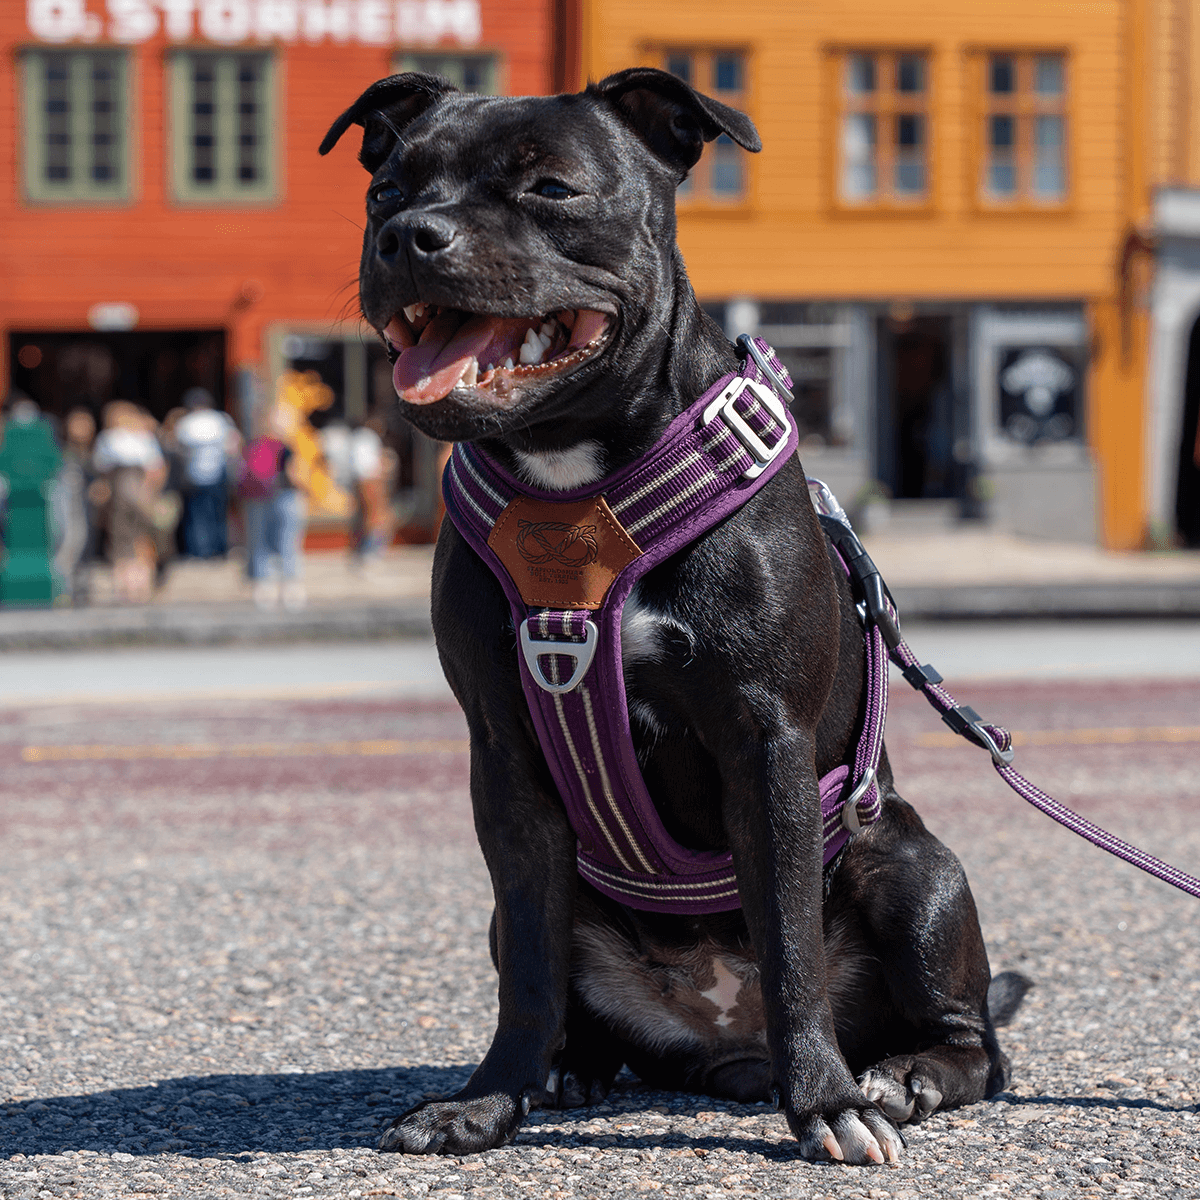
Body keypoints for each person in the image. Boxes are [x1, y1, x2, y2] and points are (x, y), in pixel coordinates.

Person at [91, 401, 165, 604]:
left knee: (137, 539)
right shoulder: (112, 438)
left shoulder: (139, 437)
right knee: (124, 539)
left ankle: (137, 585)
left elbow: (155, 469)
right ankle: (128, 586)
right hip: (124, 494)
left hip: (134, 491)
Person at [238, 405, 307, 610]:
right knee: (287, 542)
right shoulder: (287, 446)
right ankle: (291, 588)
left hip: (258, 498)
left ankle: (263, 588)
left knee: (260, 542)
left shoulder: (254, 444)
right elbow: (296, 474)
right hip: (285, 496)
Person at [173, 387, 240, 559]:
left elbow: (178, 450)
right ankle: (219, 549)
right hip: (218, 475)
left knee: (196, 516)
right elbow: (234, 446)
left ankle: (199, 551)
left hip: (193, 477)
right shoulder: (221, 420)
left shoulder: (186, 423)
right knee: (218, 514)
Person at [51, 407, 97, 604]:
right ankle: (63, 591)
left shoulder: (94, 452)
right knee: (70, 543)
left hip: (91, 511)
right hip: (70, 510)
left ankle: (81, 589)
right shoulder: (62, 454)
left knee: (86, 548)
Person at [350, 416, 394, 562]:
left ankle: (366, 549)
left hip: (362, 480)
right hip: (371, 480)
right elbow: (372, 465)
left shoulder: (357, 437)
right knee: (375, 515)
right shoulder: (369, 437)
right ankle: (371, 550)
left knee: (368, 515)